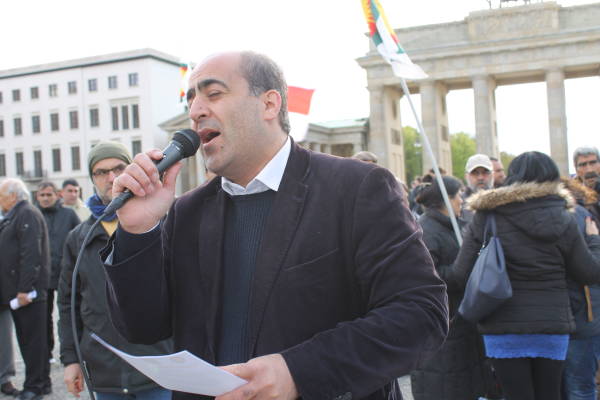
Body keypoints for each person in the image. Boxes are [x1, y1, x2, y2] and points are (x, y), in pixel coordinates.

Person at [101, 51, 448, 400]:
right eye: (191, 99)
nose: (195, 111)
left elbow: (421, 314)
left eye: (213, 93)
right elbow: (142, 328)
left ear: (269, 104)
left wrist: (299, 372)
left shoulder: (356, 187)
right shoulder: (186, 211)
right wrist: (138, 231)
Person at [451, 151, 600, 400]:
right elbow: (590, 273)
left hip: (501, 323)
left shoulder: (487, 215)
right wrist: (594, 240)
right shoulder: (564, 217)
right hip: (552, 323)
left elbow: (459, 273)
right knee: (550, 394)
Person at [57, 142, 172, 400]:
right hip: (105, 373)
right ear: (92, 179)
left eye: (119, 168)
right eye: (101, 172)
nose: (111, 178)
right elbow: (67, 304)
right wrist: (71, 360)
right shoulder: (78, 238)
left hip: (158, 368)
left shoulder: (160, 222)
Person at [410, 175, 491, 399]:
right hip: (443, 325)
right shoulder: (426, 230)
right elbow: (429, 276)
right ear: (445, 200)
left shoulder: (456, 226)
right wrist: (463, 265)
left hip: (463, 323)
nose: (462, 201)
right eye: (458, 196)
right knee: (445, 387)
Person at [0, 178, 51, 400]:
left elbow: (31, 254)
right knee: (28, 339)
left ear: (13, 196)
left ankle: (35, 386)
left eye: (1, 196)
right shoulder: (16, 215)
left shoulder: (26, 214)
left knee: (33, 342)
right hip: (20, 293)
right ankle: (41, 383)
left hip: (28, 294)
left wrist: (24, 289)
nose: (0, 201)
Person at [561, 179, 600, 400]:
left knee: (575, 388)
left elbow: (591, 270)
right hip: (584, 314)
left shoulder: (577, 215)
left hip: (580, 312)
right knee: (580, 387)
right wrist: (594, 241)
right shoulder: (582, 215)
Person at [35, 181, 80, 373]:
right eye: (42, 195)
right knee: (43, 317)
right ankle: (47, 353)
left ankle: (72, 351)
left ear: (57, 195)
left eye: (49, 194)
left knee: (68, 313)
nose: (45, 198)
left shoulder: (69, 214)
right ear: (37, 197)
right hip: (42, 276)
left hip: (65, 273)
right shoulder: (33, 215)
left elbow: (80, 239)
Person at [462, 154, 494, 222]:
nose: (480, 178)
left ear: (492, 175)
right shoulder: (459, 203)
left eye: (485, 172)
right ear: (466, 176)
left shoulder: (502, 202)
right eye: (475, 173)